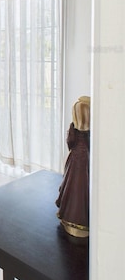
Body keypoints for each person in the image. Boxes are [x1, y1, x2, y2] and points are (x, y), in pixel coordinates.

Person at [55, 96, 90, 237]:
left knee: (72, 183)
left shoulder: (73, 127)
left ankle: (69, 215)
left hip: (75, 157)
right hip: (86, 157)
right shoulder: (90, 130)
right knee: (83, 185)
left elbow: (70, 142)